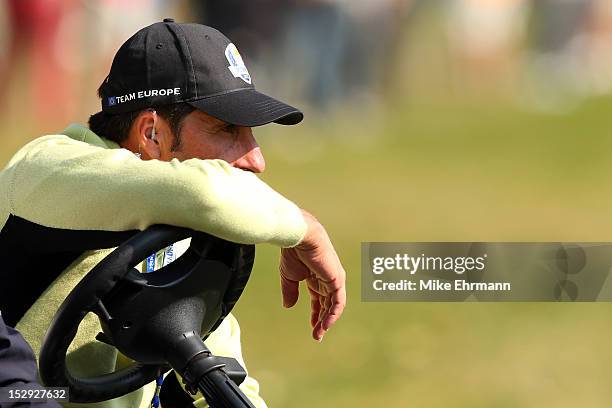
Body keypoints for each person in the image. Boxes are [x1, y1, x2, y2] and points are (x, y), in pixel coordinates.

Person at [0, 19, 346, 407]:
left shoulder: (188, 230)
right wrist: (305, 228)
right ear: (152, 133)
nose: (257, 159)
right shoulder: (47, 168)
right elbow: (206, 191)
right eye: (228, 130)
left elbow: (223, 369)